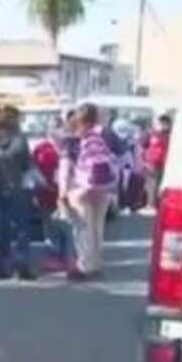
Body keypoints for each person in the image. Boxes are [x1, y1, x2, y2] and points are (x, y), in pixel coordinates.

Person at [60, 103, 117, 280]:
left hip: (81, 188)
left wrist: (62, 190)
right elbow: (120, 156)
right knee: (98, 226)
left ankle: (84, 265)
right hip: (104, 186)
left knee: (84, 227)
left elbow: (65, 166)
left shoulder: (73, 139)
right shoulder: (106, 135)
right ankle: (96, 263)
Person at [0, 106, 35, 280]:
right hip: (17, 188)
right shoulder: (20, 140)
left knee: (2, 229)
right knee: (22, 228)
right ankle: (22, 263)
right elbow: (26, 165)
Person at [35, 118, 75, 274]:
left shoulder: (69, 148)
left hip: (66, 194)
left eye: (61, 128)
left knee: (68, 228)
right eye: (55, 128)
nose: (59, 132)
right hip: (47, 195)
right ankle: (53, 258)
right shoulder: (42, 148)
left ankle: (69, 258)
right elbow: (34, 170)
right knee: (51, 228)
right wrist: (42, 185)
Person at [143, 114, 172, 207]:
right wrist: (145, 160)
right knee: (152, 183)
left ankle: (157, 202)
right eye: (162, 123)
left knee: (160, 182)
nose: (164, 125)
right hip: (153, 161)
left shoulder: (170, 134)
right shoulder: (153, 133)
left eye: (166, 123)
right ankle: (150, 203)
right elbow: (144, 145)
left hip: (165, 162)